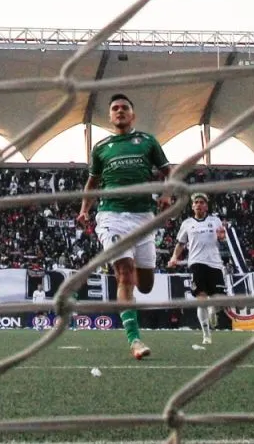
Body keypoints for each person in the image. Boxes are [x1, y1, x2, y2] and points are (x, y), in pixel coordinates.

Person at [78, 93, 171, 361]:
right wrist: (84, 209)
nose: (120, 111)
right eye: (115, 108)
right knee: (125, 275)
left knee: (146, 285)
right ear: (110, 116)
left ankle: (129, 287)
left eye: (124, 108)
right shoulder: (101, 147)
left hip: (143, 218)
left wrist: (167, 193)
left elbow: (169, 171)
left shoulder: (147, 141)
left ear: (133, 114)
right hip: (112, 216)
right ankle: (135, 340)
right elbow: (92, 183)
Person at [168, 193, 228, 345]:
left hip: (215, 263)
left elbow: (222, 239)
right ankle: (206, 334)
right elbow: (181, 243)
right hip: (196, 263)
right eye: (196, 202)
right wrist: (174, 257)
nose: (199, 204)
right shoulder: (187, 223)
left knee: (219, 301)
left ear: (206, 206)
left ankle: (213, 310)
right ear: (192, 206)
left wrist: (222, 237)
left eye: (202, 202)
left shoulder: (215, 221)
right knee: (201, 299)